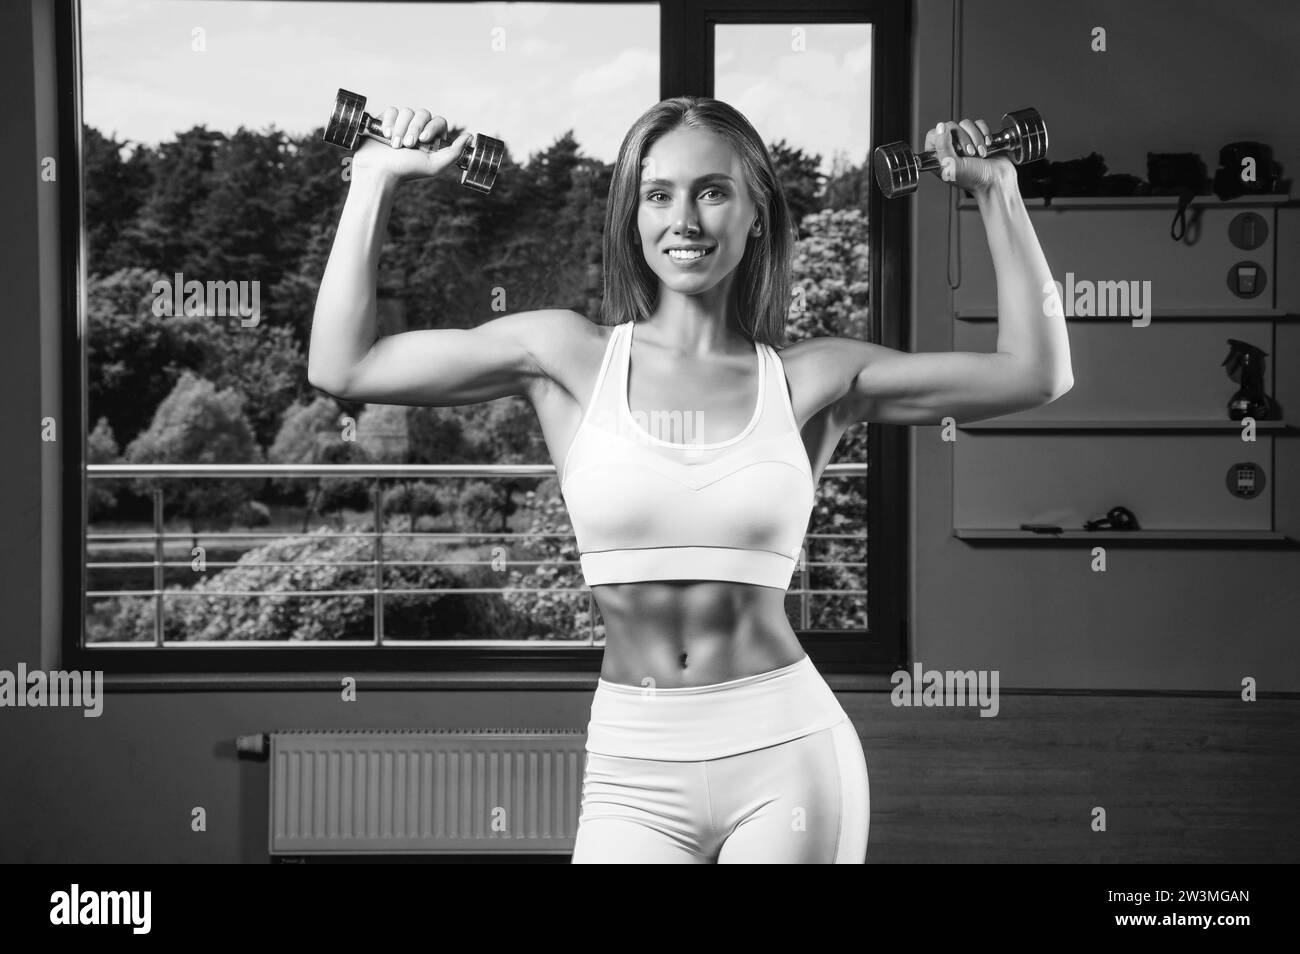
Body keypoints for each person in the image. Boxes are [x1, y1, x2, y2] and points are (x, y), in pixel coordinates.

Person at [308, 97, 1072, 863]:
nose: (686, 220)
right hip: (631, 770)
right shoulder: (565, 357)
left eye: (712, 191)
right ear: (633, 218)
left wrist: (996, 190)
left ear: (757, 213)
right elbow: (344, 365)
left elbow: (1034, 373)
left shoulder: (816, 379)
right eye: (659, 194)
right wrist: (374, 178)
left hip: (786, 756)